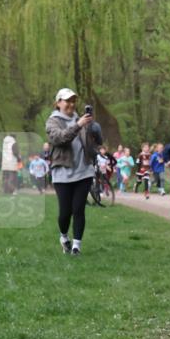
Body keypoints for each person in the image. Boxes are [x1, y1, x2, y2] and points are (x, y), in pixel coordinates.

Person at [46, 88, 102, 255]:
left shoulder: (82, 120)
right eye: (67, 101)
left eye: (73, 101)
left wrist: (95, 130)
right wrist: (78, 126)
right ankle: (64, 237)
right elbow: (59, 139)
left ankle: (77, 245)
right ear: (58, 103)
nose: (71, 104)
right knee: (65, 212)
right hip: (62, 173)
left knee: (79, 209)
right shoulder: (52, 121)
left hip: (83, 171)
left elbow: (96, 142)